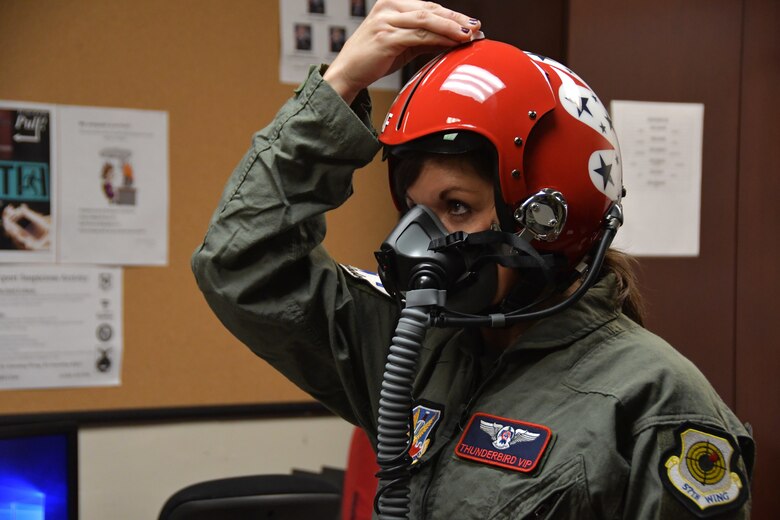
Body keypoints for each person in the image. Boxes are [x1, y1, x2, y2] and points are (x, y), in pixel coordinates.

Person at [191, 1, 754, 518]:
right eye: (414, 210)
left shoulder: (653, 403)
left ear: (547, 223)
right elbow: (243, 264)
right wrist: (340, 86)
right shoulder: (412, 351)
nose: (421, 241)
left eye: (456, 206)